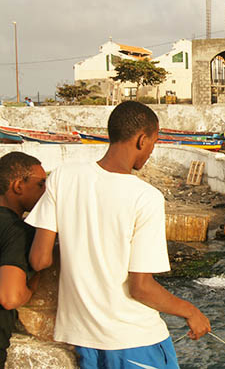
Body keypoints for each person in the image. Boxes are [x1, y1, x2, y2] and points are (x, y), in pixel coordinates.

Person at [28, 101, 210, 368]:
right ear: (141, 139)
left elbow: (39, 259)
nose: (151, 151)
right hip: (135, 340)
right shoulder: (146, 197)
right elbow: (141, 288)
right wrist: (191, 312)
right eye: (153, 143)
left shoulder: (63, 177)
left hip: (84, 341)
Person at [0, 152, 46, 368]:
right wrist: (32, 284)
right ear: (18, 185)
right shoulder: (18, 230)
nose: (46, 192)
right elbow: (10, 297)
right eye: (41, 184)